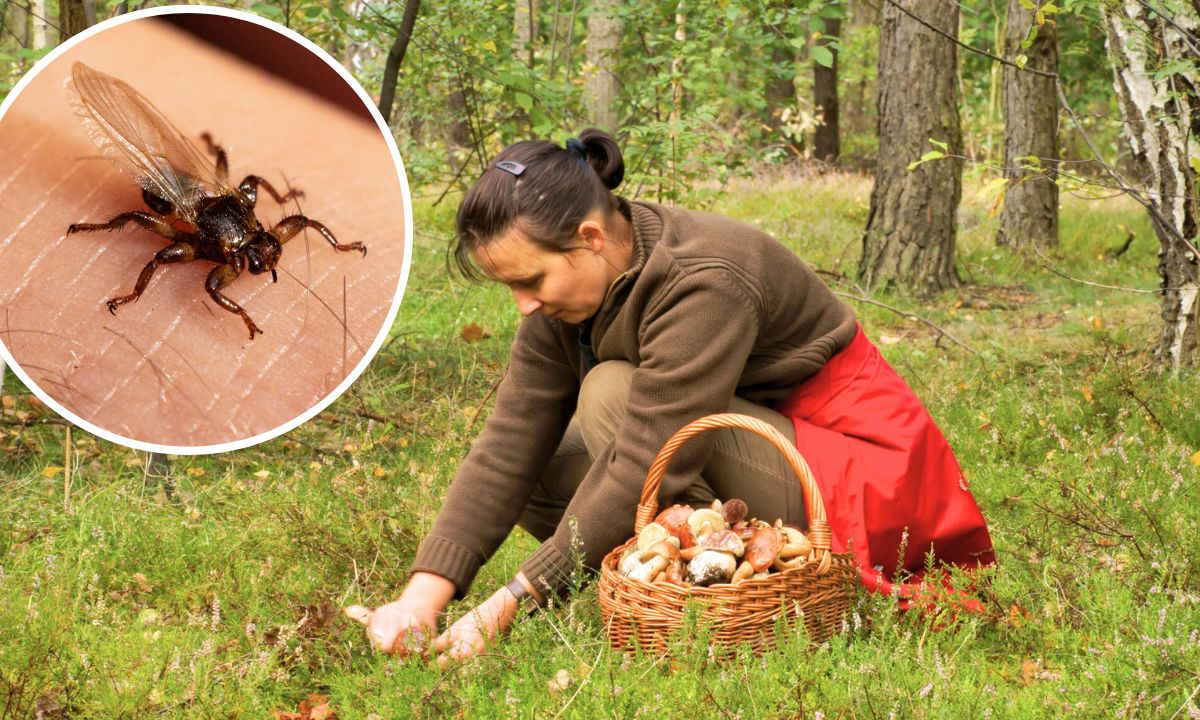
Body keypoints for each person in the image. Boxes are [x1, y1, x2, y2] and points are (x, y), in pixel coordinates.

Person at [364, 129, 995, 664]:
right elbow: (508, 443)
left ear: (589, 238)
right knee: (541, 466)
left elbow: (648, 455)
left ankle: (726, 596)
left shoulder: (703, 278)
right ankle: (695, 575)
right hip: (763, 445)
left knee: (612, 393)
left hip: (863, 477)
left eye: (531, 280)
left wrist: (509, 604)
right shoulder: (562, 301)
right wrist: (422, 600)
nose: (524, 305)